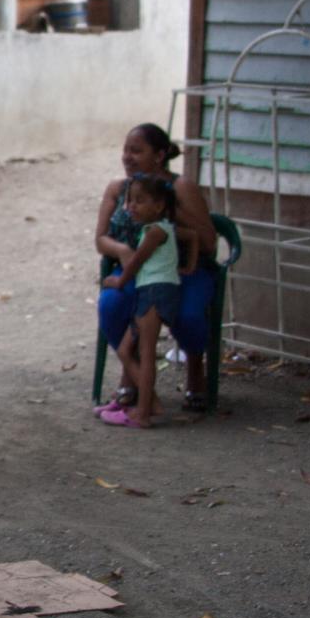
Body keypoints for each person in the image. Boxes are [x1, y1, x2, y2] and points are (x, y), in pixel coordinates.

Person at [94, 123, 219, 412]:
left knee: (188, 314)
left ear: (160, 155)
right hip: (137, 270)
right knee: (111, 304)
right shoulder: (117, 188)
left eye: (136, 151)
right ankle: (135, 373)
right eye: (125, 150)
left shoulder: (180, 187)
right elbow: (101, 239)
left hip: (181, 272)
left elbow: (210, 243)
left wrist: (167, 205)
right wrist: (123, 251)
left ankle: (194, 369)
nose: (127, 157)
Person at [98, 174, 199, 427]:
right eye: (130, 200)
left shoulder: (155, 232)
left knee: (145, 352)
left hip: (155, 293)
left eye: (140, 201)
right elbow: (192, 237)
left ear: (159, 206)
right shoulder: (160, 229)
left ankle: (142, 414)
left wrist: (118, 282)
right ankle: (149, 401)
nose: (131, 205)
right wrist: (187, 265)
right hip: (150, 291)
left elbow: (136, 262)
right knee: (124, 350)